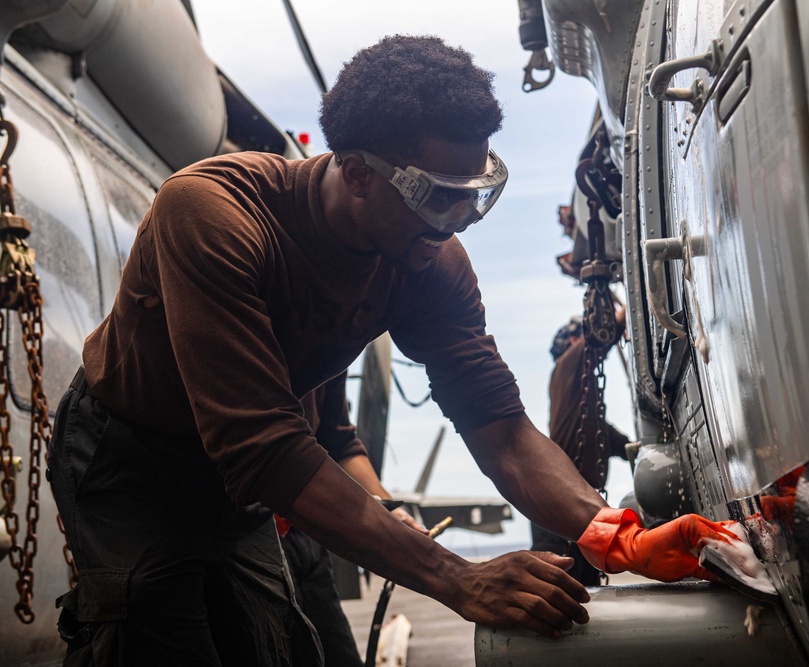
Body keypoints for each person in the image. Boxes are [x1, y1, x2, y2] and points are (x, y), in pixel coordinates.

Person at [47, 35, 742, 666]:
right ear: (355, 173)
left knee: (274, 646)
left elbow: (498, 424)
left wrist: (613, 534)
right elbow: (262, 446)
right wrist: (457, 577)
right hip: (129, 458)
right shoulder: (212, 216)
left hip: (238, 478)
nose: (460, 219)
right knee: (154, 640)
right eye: (439, 197)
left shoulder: (428, 256)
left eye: (478, 193)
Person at [278, 375, 424, 667]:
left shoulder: (331, 346)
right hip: (244, 537)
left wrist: (386, 510)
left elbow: (339, 440)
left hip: (303, 534)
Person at [531, 308, 629, 586]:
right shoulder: (567, 366)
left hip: (574, 511)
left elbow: (615, 441)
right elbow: (595, 339)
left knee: (585, 591)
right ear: (573, 343)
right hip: (558, 511)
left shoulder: (583, 408)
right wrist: (620, 317)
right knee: (560, 587)